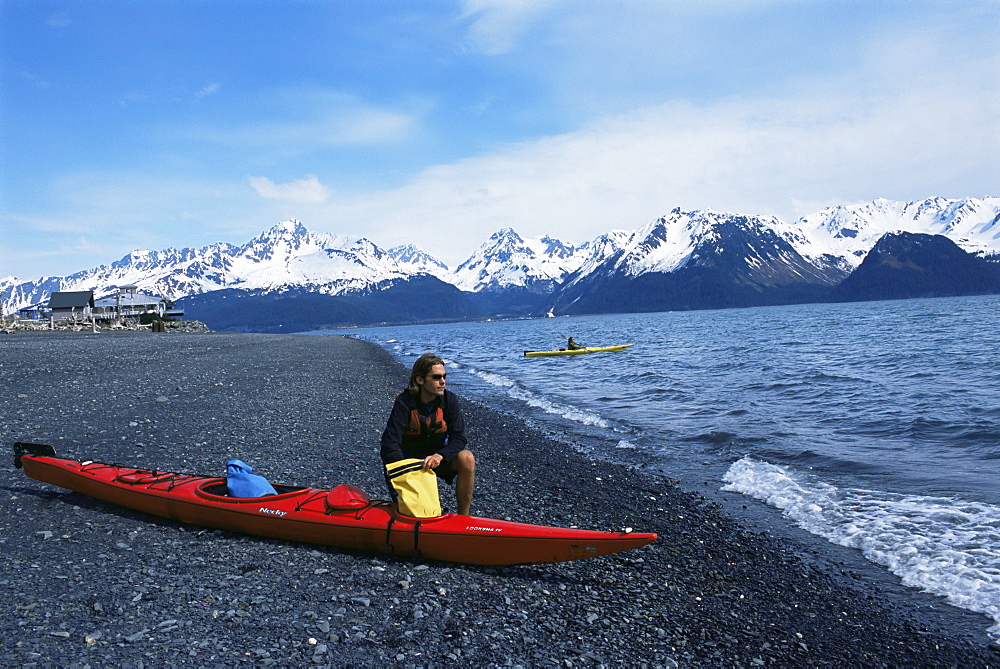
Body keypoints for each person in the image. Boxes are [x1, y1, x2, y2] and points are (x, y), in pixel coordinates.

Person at [380, 353, 476, 515]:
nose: (443, 381)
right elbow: (389, 444)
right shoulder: (404, 403)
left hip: (436, 460)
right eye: (437, 377)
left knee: (467, 458)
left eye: (444, 377)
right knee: (418, 512)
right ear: (420, 380)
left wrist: (440, 456)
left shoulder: (449, 400)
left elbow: (459, 438)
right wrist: (408, 472)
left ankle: (463, 517)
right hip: (408, 464)